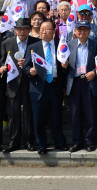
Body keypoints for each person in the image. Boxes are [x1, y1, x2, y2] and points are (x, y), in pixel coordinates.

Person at [23, 20, 69, 154]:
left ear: (54, 31)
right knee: (38, 119)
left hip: (55, 86)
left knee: (56, 117)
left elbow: (66, 68)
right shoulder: (33, 46)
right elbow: (25, 66)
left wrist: (65, 68)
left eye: (47, 29)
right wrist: (29, 72)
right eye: (41, 29)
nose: (43, 32)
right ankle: (41, 145)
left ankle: (60, 143)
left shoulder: (60, 45)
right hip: (38, 86)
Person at [62, 20, 97, 153]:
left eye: (85, 30)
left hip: (89, 81)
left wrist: (95, 73)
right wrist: (64, 66)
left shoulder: (96, 44)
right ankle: (77, 141)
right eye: (80, 30)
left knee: (90, 113)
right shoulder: (69, 45)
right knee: (75, 114)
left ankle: (90, 141)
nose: (82, 32)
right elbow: (63, 66)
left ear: (89, 31)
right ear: (75, 31)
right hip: (74, 82)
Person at [0, 18, 39, 152]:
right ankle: (14, 142)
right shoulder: (7, 43)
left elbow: (39, 63)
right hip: (12, 83)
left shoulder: (35, 42)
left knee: (29, 113)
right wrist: (1, 68)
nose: (21, 31)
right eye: (19, 29)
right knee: (13, 114)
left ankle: (29, 142)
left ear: (29, 30)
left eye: (24, 29)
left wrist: (28, 66)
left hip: (30, 82)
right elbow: (2, 60)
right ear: (15, 30)